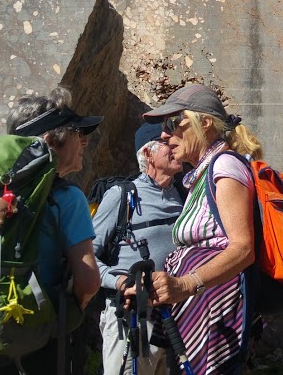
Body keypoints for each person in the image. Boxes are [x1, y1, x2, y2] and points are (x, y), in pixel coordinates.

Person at [0, 88, 103, 375]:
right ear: (52, 140)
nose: (84, 142)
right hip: (36, 347)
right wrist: (64, 316)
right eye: (78, 132)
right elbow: (88, 281)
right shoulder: (67, 198)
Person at [141, 84, 261, 375]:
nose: (164, 135)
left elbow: (243, 249)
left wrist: (184, 285)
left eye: (173, 123)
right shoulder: (203, 173)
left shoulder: (225, 167)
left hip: (216, 317)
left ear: (204, 123)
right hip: (203, 311)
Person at [94, 122, 185, 375]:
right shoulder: (121, 196)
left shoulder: (184, 194)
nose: (176, 148)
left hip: (175, 318)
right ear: (148, 154)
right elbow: (88, 256)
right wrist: (121, 282)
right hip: (131, 318)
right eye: (167, 144)